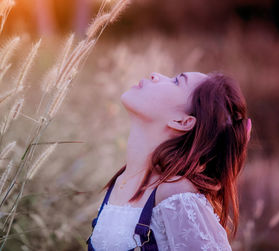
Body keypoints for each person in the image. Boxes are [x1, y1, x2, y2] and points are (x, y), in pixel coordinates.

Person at [86, 72, 252, 250]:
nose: (155, 75)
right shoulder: (121, 181)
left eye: (176, 81)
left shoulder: (176, 193)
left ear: (182, 121)